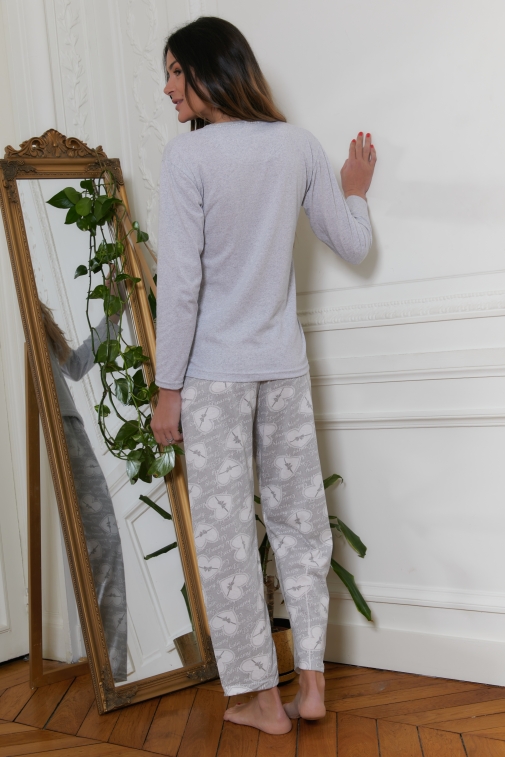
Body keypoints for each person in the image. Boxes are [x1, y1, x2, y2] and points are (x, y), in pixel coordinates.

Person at [151, 16, 376, 734]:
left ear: (210, 69)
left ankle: (260, 700)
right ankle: (309, 682)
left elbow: (180, 286)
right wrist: (354, 190)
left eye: (176, 72)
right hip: (282, 368)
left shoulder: (187, 160)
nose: (167, 88)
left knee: (225, 541)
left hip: (213, 377)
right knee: (301, 524)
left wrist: (166, 390)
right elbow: (352, 245)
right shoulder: (298, 146)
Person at [40, 285, 128, 683]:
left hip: (67, 428)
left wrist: (113, 315)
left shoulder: (28, 306)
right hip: (30, 434)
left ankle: (110, 672)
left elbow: (73, 367)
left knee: (103, 543)